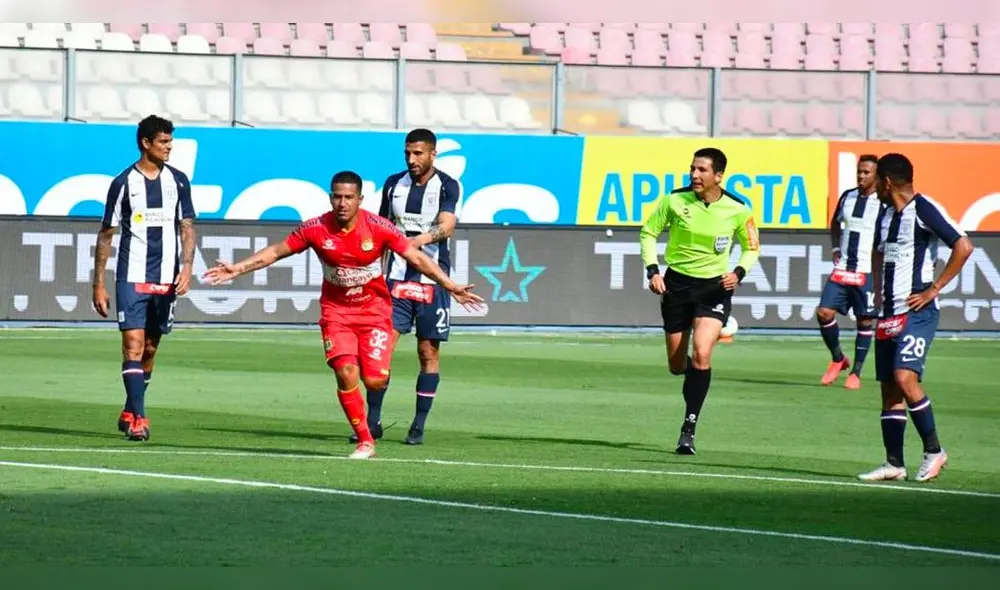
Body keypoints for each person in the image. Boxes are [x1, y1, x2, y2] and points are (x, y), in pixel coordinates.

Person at [202, 171, 484, 460]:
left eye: (349, 197)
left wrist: (450, 285)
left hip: (374, 312)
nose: (342, 203)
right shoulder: (315, 228)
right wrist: (237, 268)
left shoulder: (379, 227)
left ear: (360, 200)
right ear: (330, 197)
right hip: (336, 313)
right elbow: (276, 251)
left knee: (374, 381)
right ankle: (365, 440)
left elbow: (417, 258)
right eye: (337, 196)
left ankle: (368, 376)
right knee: (346, 371)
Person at [858, 153, 972, 483]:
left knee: (906, 378)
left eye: (877, 179)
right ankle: (894, 463)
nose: (873, 185)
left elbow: (963, 246)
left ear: (888, 182)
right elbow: (880, 252)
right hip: (889, 312)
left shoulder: (923, 209)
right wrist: (878, 292)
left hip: (916, 312)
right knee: (890, 390)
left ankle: (935, 451)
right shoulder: (884, 213)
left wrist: (933, 288)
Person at [639, 147, 761, 455]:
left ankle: (688, 428)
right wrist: (653, 271)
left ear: (718, 176)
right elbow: (648, 233)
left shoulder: (738, 209)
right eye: (692, 168)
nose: (694, 174)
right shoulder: (674, 200)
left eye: (702, 170)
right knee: (677, 365)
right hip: (677, 287)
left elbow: (751, 247)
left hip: (714, 288)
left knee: (702, 353)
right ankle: (693, 372)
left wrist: (739, 272)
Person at [354, 128, 462, 446]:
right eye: (408, 153)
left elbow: (447, 225)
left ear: (432, 154)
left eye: (418, 153)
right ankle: (372, 423)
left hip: (433, 281)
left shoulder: (448, 185)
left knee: (427, 352)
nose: (412, 159)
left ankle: (418, 425)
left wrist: (420, 240)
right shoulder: (393, 184)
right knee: (380, 349)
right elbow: (380, 227)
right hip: (396, 281)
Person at [92, 115, 196, 442]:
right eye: (164, 142)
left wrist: (187, 267)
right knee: (133, 345)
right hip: (131, 276)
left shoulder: (178, 181)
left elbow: (187, 228)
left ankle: (129, 406)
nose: (169, 147)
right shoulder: (123, 183)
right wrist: (98, 283)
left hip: (166, 277)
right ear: (145, 143)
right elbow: (106, 234)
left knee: (150, 348)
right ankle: (139, 418)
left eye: (170, 142)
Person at [816, 154, 884, 389]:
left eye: (867, 172)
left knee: (865, 320)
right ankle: (838, 359)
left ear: (877, 175)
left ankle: (856, 372)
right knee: (824, 312)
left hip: (867, 271)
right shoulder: (848, 196)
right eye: (859, 171)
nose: (861, 176)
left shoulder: (884, 202)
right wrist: (835, 247)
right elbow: (835, 222)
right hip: (844, 267)